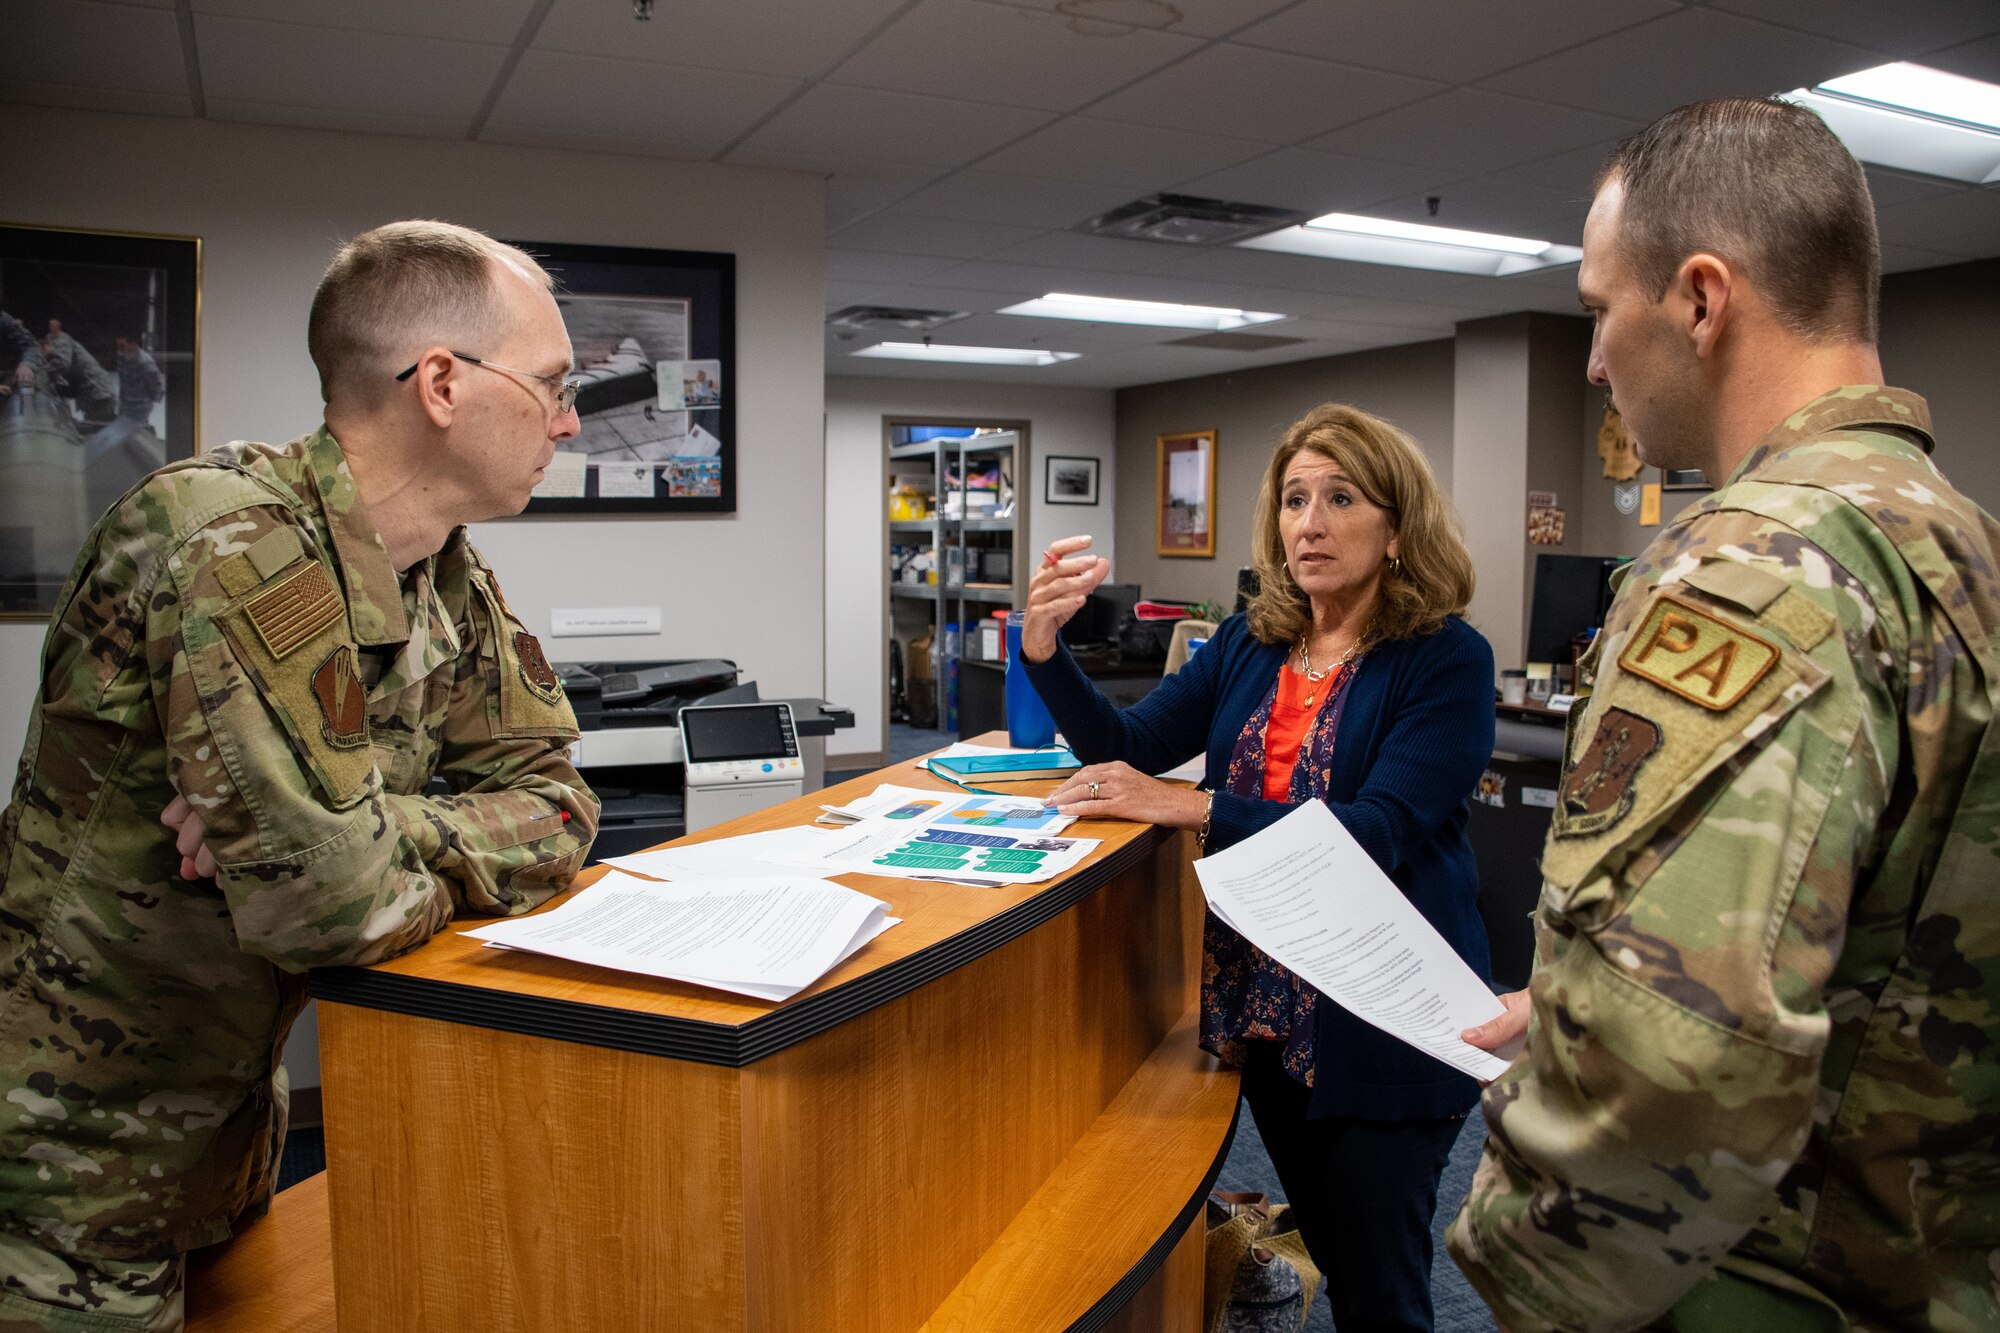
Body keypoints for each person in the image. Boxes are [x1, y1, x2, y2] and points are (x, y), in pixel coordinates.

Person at [1447, 97, 2000, 1333]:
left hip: (1767, 1282)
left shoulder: (1747, 572)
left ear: (1699, 299)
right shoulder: (1962, 548)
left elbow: (1679, 1065)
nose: (1589, 361)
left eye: (1597, 310)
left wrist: (1516, 1266)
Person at [0, 220, 602, 1330]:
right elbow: (328, 905)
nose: (567, 420)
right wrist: (338, 857)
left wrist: (381, 825)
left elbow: (561, 806)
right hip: (64, 1173)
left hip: (220, 1145)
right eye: (553, 385)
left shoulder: (445, 577)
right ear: (439, 383)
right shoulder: (232, 538)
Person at [1025, 403, 1495, 1333]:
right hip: (1272, 1005)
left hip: (1383, 1018)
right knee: (1329, 1231)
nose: (1309, 523)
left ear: (1396, 526)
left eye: (1340, 497)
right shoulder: (1252, 641)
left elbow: (1378, 830)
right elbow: (1134, 743)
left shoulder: (1446, 660)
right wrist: (1044, 649)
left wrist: (1201, 806)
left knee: (1382, 1286)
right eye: (1293, 500)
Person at [42, 319, 119, 423]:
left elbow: (62, 363)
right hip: (93, 394)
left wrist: (40, 373)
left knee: (101, 429)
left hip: (98, 394)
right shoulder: (52, 340)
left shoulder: (62, 340)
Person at [112, 335, 165, 427]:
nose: (119, 349)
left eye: (122, 345)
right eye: (118, 345)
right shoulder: (122, 357)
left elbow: (156, 384)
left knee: (139, 435)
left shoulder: (145, 362)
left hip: (140, 407)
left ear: (133, 344)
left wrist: (152, 400)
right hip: (125, 405)